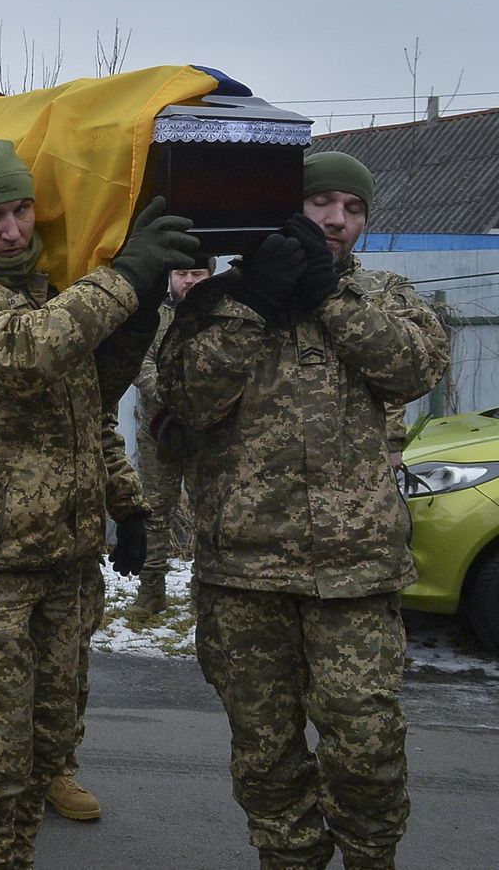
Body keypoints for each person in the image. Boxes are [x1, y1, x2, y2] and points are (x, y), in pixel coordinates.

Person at [0, 139, 198, 869]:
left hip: (62, 556)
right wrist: (124, 276)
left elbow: (86, 387)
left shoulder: (34, 285)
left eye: (23, 209)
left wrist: (141, 306)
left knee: (48, 744)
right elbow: (29, 351)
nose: (14, 229)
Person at [157, 151, 449, 869]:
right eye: (324, 204)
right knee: (266, 755)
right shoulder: (216, 303)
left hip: (355, 574)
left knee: (367, 746)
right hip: (244, 577)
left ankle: (371, 858)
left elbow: (414, 369)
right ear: (291, 207)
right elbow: (185, 403)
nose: (336, 220)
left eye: (354, 209)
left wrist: (327, 297)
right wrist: (255, 303)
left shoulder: (386, 296)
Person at [49, 413, 147, 823]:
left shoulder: (80, 353)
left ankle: (56, 770)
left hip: (72, 541)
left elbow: (98, 427)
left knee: (68, 665)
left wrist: (129, 509)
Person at [130, 255, 213, 615]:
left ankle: (203, 595)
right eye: (182, 274)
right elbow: (139, 361)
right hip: (159, 431)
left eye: (198, 273)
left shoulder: (223, 318)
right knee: (153, 512)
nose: (190, 281)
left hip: (208, 433)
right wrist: (168, 393)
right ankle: (151, 593)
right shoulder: (154, 318)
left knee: (211, 513)